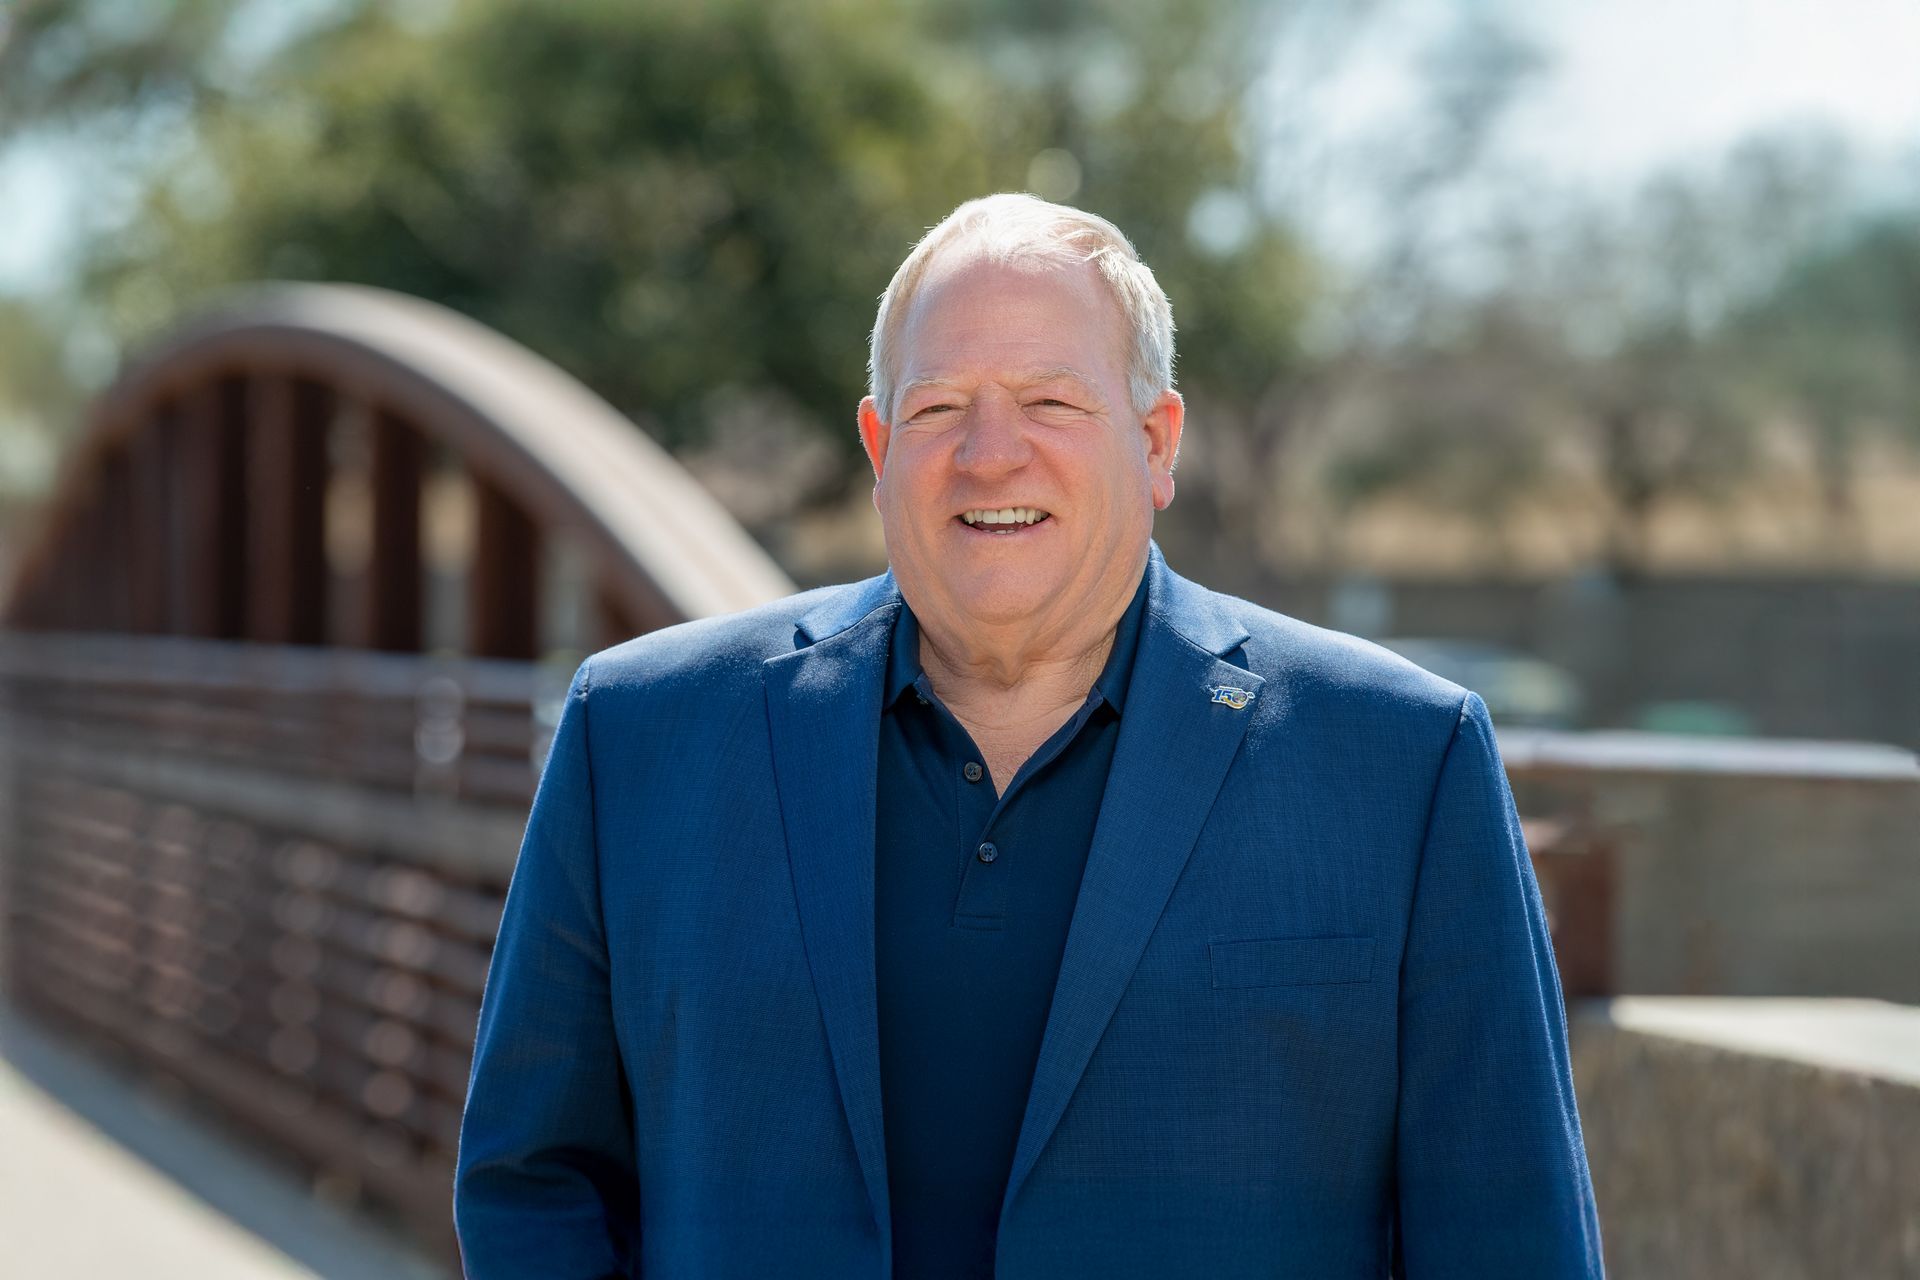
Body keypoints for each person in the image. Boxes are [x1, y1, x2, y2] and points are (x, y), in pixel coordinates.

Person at [453, 193, 1605, 1279]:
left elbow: (1509, 1238)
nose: (990, 453)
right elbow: (531, 1182)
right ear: (879, 447)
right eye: (940, 405)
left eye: (1050, 401)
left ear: (1157, 443)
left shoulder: (1401, 761)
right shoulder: (642, 734)